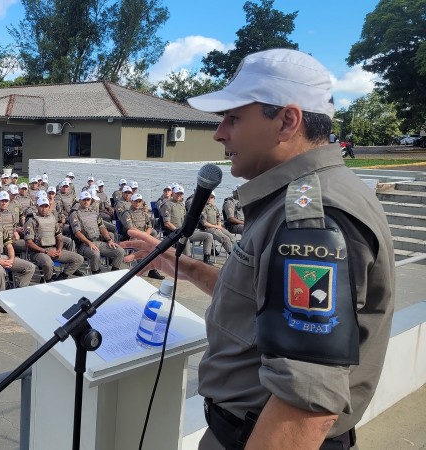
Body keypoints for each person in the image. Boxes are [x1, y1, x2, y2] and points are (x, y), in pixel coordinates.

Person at [122, 49, 394, 449]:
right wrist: (179, 264)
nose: (219, 133)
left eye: (233, 118)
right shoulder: (298, 199)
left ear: (287, 121)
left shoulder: (310, 220)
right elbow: (257, 303)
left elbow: (304, 405)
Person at [24, 194, 84, 282]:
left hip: (53, 249)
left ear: (49, 207)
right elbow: (28, 242)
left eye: (46, 206)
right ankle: (48, 280)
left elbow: (59, 237)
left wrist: (59, 249)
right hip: (38, 252)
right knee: (48, 263)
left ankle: (62, 277)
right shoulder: (31, 221)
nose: (44, 208)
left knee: (79, 259)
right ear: (37, 206)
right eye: (41, 206)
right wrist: (46, 251)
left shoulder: (52, 219)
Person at [68, 191, 125, 274]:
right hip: (84, 245)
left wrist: (109, 240)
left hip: (98, 241)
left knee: (120, 251)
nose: (86, 201)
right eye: (84, 199)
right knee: (95, 254)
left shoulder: (94, 213)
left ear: (91, 200)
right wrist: (89, 243)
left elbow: (102, 227)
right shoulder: (75, 214)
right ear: (80, 201)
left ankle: (114, 272)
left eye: (88, 199)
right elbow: (77, 233)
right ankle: (96, 273)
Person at [160, 185, 215, 264]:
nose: (179, 196)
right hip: (175, 232)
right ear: (173, 193)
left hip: (185, 231)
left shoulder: (182, 205)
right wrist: (178, 231)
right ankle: (188, 261)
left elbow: (186, 219)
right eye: (177, 194)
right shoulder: (167, 205)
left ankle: (207, 259)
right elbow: (167, 223)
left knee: (208, 236)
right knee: (185, 238)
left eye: (181, 194)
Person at [119, 194, 164, 280]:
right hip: (134, 237)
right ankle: (141, 269)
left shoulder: (143, 213)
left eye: (139, 201)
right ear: (131, 201)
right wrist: (143, 235)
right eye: (136, 201)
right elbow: (130, 228)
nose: (138, 203)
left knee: (155, 249)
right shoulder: (127, 214)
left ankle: (153, 271)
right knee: (142, 250)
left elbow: (150, 226)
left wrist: (146, 235)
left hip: (144, 235)